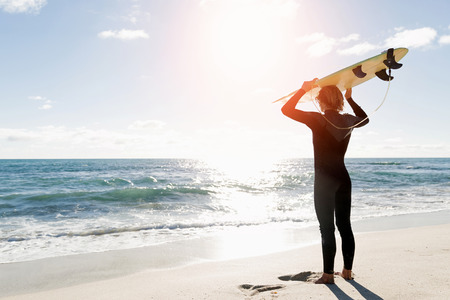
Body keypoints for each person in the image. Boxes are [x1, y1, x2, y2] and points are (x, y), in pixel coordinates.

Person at [281, 79, 369, 284]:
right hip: (343, 179)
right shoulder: (349, 120)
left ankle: (328, 275)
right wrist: (351, 99)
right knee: (345, 227)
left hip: (324, 181)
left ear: (320, 101)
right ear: (339, 101)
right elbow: (365, 119)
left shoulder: (317, 119)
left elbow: (286, 110)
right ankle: (347, 271)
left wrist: (302, 90)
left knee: (327, 228)